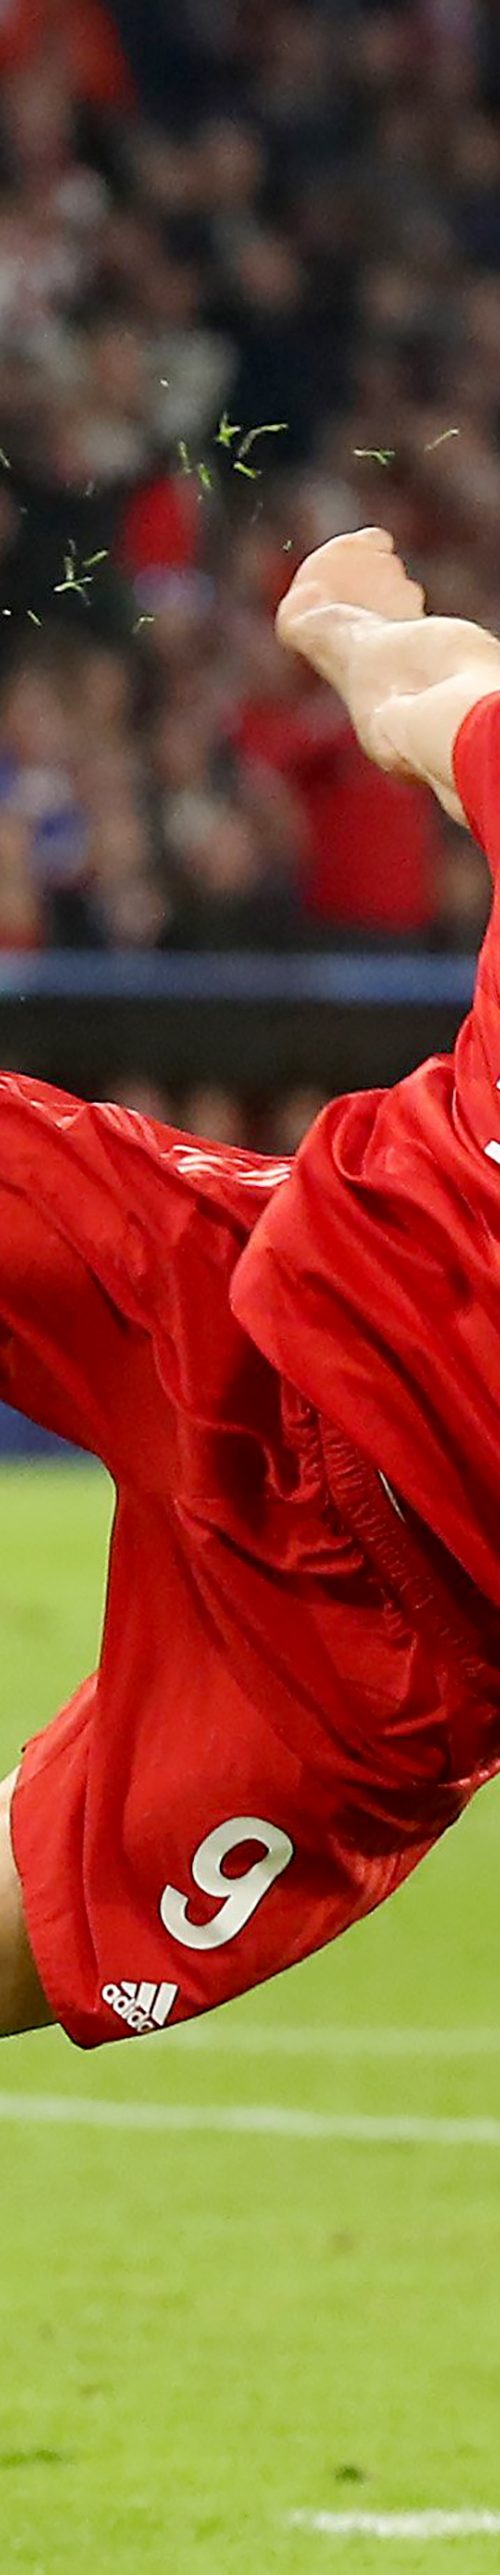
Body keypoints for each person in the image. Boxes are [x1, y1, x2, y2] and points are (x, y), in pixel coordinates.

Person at [2, 525, 500, 2049]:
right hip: (239, 1280)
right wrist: (345, 627)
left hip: (377, 1629)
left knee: (31, 1927)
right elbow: (438, 693)